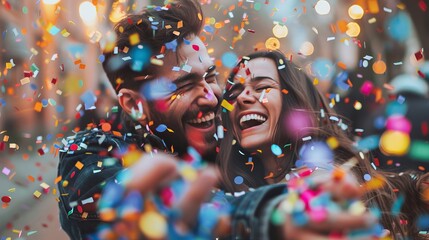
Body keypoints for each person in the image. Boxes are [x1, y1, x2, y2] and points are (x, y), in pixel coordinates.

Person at [57, 1, 385, 239]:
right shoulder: (91, 155)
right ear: (134, 104)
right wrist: (269, 218)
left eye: (210, 76)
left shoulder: (231, 135)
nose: (212, 96)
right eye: (184, 86)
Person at [217, 50, 429, 238]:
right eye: (234, 93)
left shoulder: (324, 179)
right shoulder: (235, 194)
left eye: (262, 86)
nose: (242, 97)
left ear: (295, 104)